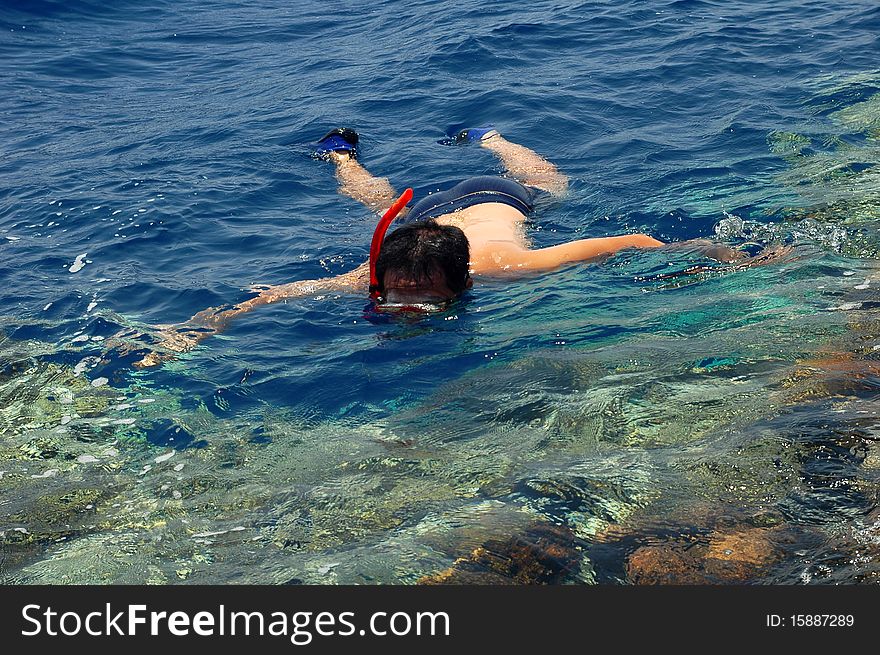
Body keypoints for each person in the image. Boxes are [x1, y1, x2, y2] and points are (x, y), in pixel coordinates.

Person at [132, 126, 754, 368]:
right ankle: (341, 155)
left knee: (550, 187)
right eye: (399, 292)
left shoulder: (510, 266)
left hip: (496, 196)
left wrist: (725, 255)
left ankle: (492, 139)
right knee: (377, 204)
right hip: (423, 218)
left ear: (459, 284)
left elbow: (631, 240)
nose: (404, 305)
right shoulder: (382, 272)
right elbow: (279, 294)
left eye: (421, 297)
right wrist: (202, 327)